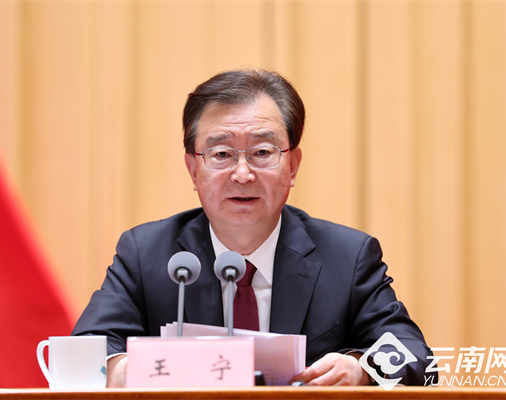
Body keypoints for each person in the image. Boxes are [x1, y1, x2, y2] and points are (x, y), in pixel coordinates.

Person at [72, 69, 435, 387]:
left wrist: (361, 369)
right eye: (221, 154)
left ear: (292, 166)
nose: (242, 174)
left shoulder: (347, 256)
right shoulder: (147, 254)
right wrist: (135, 369)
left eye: (262, 153)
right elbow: (87, 352)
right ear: (193, 170)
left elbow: (416, 356)